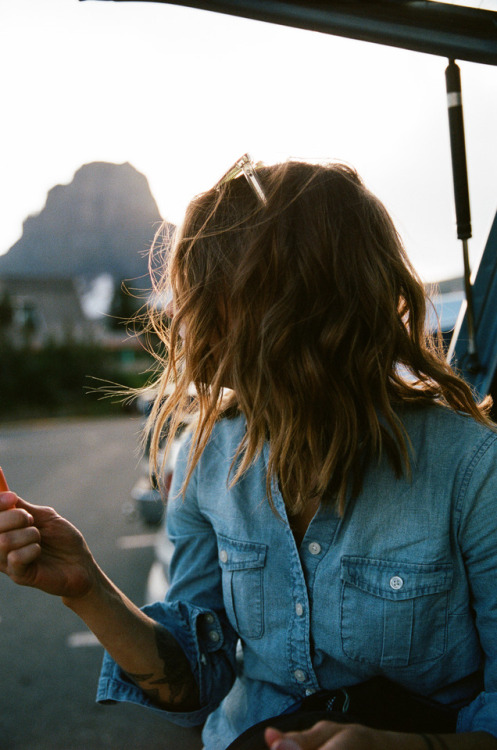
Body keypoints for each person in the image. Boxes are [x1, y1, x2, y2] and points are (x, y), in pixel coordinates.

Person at [1, 156, 497, 750]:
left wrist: (406, 746)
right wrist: (85, 586)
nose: (180, 317)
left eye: (206, 292)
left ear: (295, 300)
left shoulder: (472, 469)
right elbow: (196, 683)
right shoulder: (203, 457)